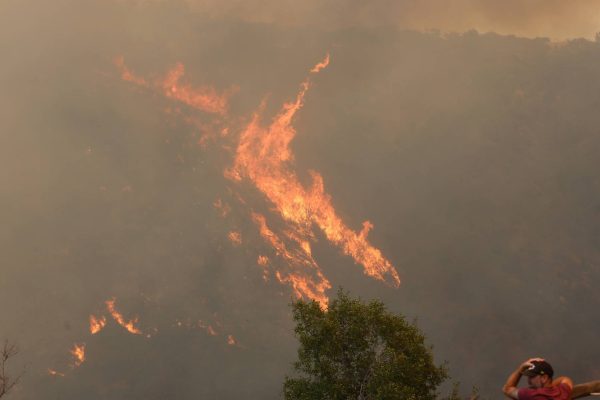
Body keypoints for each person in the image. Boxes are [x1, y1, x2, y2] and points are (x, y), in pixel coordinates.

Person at [502, 358, 573, 399]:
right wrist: (550, 387)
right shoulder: (563, 391)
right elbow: (565, 379)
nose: (528, 381)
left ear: (544, 378)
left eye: (532, 377)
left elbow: (506, 389)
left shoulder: (532, 394)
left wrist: (520, 369)